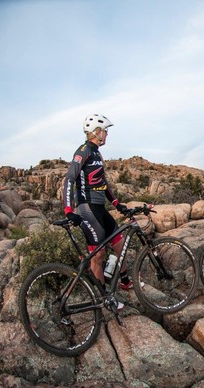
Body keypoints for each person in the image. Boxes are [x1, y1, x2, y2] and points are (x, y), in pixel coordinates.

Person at [62, 114, 135, 292]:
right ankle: (101, 298)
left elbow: (102, 183)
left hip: (99, 207)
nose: (107, 135)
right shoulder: (83, 151)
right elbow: (69, 179)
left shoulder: (96, 152)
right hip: (87, 207)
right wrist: (68, 209)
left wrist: (117, 203)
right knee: (98, 255)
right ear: (97, 132)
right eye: (105, 131)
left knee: (119, 243)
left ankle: (125, 282)